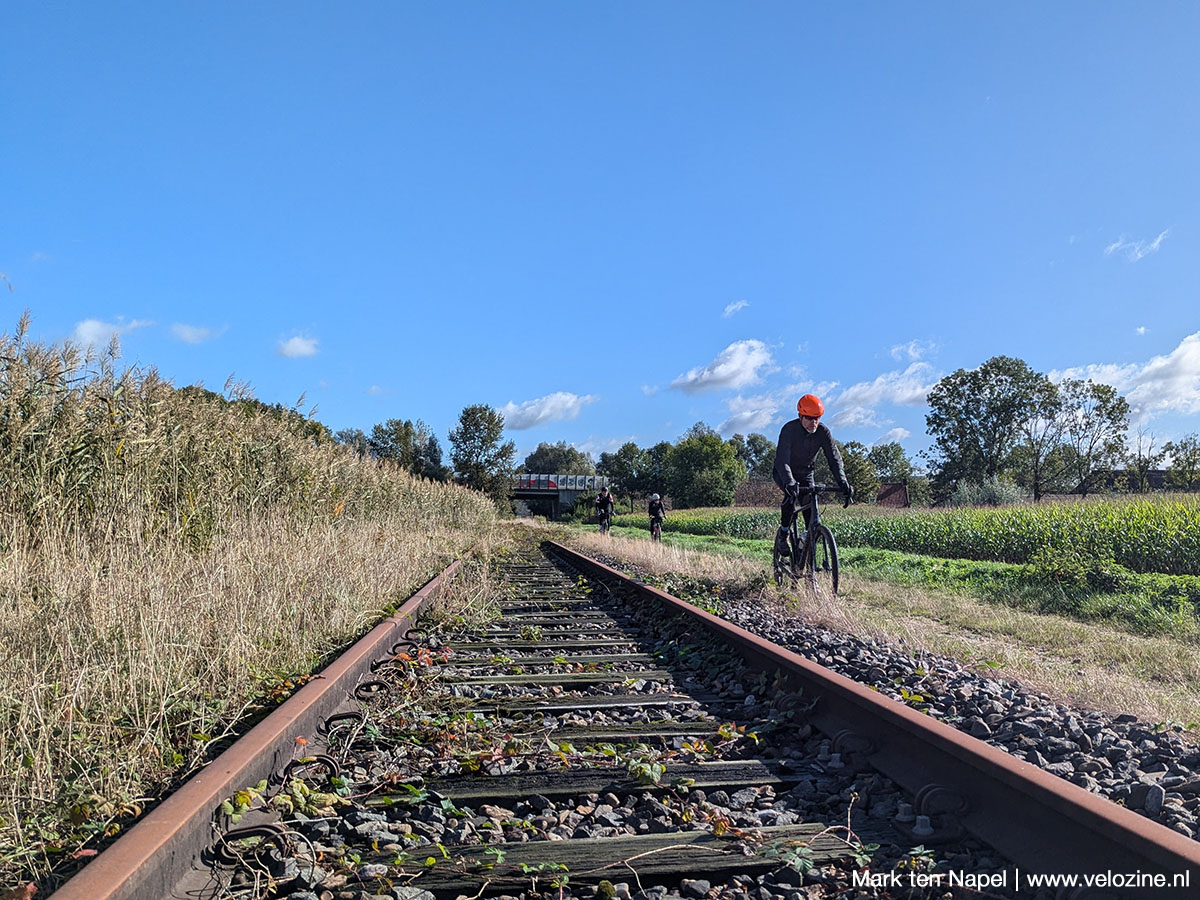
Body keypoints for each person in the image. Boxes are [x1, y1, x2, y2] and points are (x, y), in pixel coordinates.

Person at [772, 394, 853, 553]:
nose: (813, 422)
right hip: (785, 472)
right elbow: (783, 460)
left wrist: (842, 482)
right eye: (809, 418)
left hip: (806, 473)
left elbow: (834, 458)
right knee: (791, 496)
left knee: (811, 515)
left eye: (817, 418)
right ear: (800, 416)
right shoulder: (789, 430)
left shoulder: (823, 432)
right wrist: (789, 482)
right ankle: (783, 533)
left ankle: (807, 556)